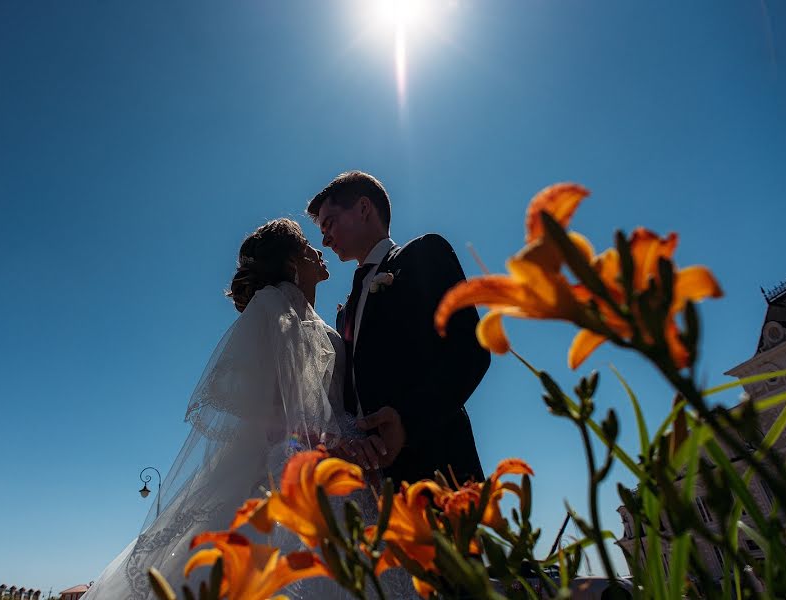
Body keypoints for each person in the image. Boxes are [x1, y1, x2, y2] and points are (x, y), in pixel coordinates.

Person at [82, 218, 412, 600]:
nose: (318, 251)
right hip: (297, 468)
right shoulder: (274, 307)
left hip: (340, 462)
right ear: (291, 263)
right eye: (307, 245)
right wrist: (330, 443)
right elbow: (270, 411)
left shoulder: (320, 321)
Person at [307, 171, 490, 485]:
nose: (324, 239)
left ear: (364, 208)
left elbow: (471, 350)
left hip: (440, 468)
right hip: (373, 486)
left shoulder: (423, 255)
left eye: (330, 223)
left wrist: (407, 423)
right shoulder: (345, 312)